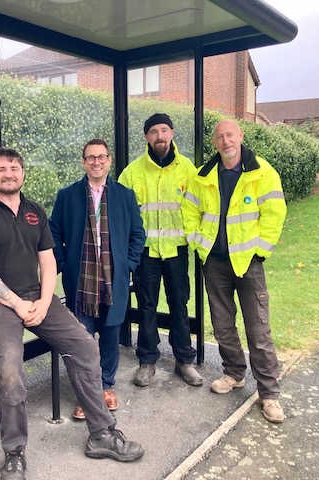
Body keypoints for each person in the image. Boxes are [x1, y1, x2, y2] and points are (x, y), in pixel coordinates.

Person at [0, 147, 144, 480]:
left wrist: (45, 302)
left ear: (23, 172)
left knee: (86, 346)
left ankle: (101, 434)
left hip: (36, 298)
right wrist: (17, 304)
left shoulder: (34, 211)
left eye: (14, 167)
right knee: (11, 370)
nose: (9, 173)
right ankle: (14, 454)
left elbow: (47, 259)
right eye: (1, 169)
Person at [182, 119, 287, 423]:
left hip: (248, 264)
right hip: (214, 263)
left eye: (230, 135)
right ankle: (234, 374)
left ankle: (269, 394)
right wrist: (198, 243)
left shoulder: (262, 172)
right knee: (223, 324)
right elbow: (189, 210)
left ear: (240, 136)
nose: (226, 140)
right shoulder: (203, 176)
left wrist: (261, 250)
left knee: (258, 329)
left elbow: (275, 212)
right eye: (220, 136)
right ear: (214, 142)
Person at [49, 139, 145, 420]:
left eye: (101, 157)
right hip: (81, 282)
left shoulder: (124, 196)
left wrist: (129, 263)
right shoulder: (67, 196)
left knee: (110, 335)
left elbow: (137, 234)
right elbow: (54, 234)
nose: (96, 162)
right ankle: (86, 395)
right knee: (82, 339)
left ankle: (105, 387)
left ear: (109, 160)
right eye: (90, 158)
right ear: (83, 162)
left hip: (113, 280)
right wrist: (65, 265)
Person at [118, 113, 203, 388]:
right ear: (146, 137)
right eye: (153, 131)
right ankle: (147, 360)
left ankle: (184, 361)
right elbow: (121, 213)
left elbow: (199, 207)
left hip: (177, 251)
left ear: (172, 133)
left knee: (179, 305)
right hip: (146, 253)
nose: (159, 136)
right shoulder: (132, 172)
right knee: (146, 307)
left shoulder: (188, 170)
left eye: (164, 130)